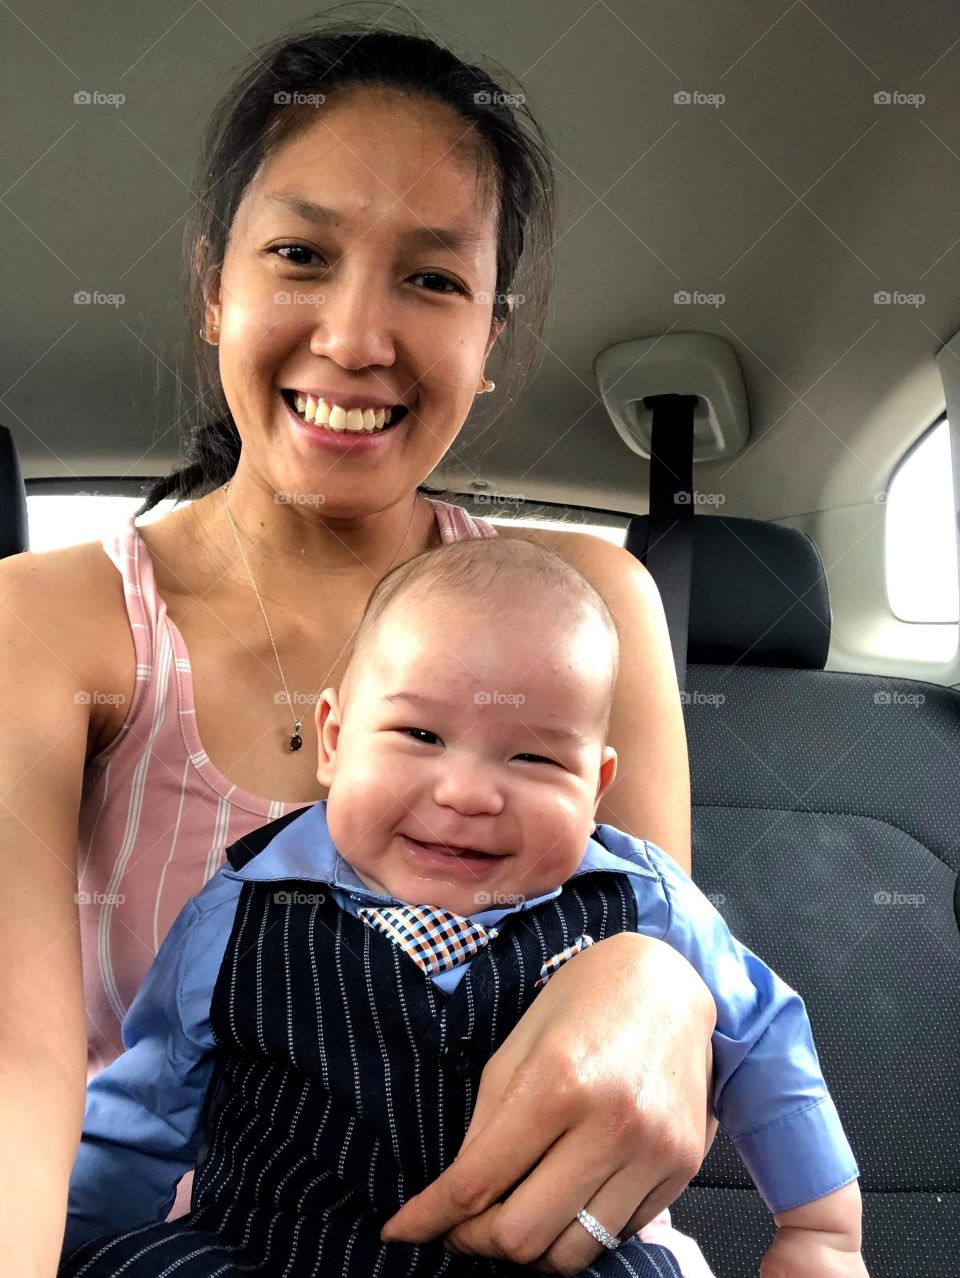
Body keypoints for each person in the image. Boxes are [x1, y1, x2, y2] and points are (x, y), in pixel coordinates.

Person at [0, 17, 716, 1276]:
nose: (355, 336)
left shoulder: (593, 599)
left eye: (433, 279)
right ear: (215, 287)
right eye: (300, 254)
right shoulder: (44, 622)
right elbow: (19, 1061)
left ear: (491, 335)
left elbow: (652, 947)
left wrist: (666, 985)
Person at [61, 537, 866, 1278]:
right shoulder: (240, 908)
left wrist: (820, 1228)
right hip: (267, 1246)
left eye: (533, 757)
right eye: (419, 734)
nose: (469, 793)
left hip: (554, 1259)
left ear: (597, 787)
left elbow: (762, 1036)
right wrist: (64, 1239)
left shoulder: (640, 902)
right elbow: (142, 1112)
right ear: (334, 741)